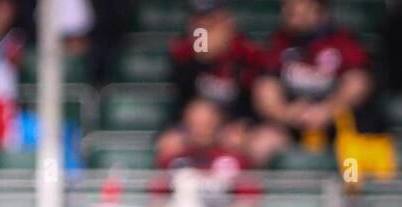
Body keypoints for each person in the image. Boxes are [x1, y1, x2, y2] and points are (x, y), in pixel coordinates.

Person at [250, 0, 377, 167]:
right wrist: (285, 112)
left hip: (340, 127)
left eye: (297, 4)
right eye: (286, 4)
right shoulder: (278, 42)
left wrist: (328, 109)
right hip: (293, 126)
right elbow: (265, 89)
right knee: (260, 143)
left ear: (317, 7)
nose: (289, 8)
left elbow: (358, 84)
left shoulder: (342, 40)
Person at [161, 0, 267, 163]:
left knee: (240, 142)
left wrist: (242, 124)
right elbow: (182, 96)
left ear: (227, 22)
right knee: (169, 143)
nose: (204, 27)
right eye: (199, 21)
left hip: (233, 122)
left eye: (211, 21)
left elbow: (253, 100)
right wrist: (201, 58)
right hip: (192, 124)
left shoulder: (246, 51)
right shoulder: (183, 51)